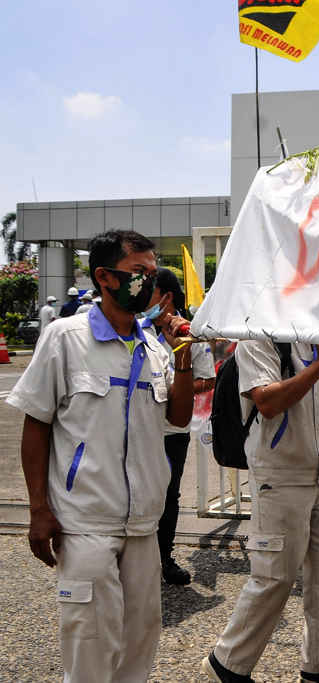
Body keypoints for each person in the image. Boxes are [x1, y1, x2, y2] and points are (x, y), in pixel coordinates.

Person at [7, 230, 194, 681]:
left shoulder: (154, 346)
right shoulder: (65, 338)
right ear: (105, 277)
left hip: (143, 524)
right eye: (138, 272)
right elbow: (36, 424)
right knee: (90, 644)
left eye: (152, 273)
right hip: (85, 521)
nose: (149, 282)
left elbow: (179, 417)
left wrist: (183, 356)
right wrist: (38, 509)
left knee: (140, 640)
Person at [203, 332, 319, 681]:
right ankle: (226, 664)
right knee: (274, 576)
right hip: (280, 473)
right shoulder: (259, 337)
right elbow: (267, 401)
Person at [142, 268, 217, 585]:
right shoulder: (136, 330)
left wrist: (173, 389)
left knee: (168, 494)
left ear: (166, 297)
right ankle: (135, 559)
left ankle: (164, 558)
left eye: (149, 292)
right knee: (137, 491)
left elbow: (208, 379)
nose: (142, 298)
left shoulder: (191, 332)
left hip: (173, 432)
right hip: (141, 428)